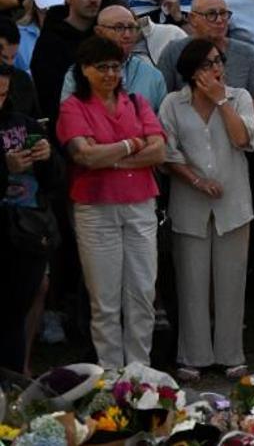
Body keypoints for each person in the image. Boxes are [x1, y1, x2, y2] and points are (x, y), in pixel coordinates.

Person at [56, 36, 166, 369]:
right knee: (104, 300)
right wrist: (135, 145)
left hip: (140, 204)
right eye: (101, 67)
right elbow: (85, 156)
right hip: (96, 208)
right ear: (84, 70)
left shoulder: (135, 101)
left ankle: (139, 372)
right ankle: (110, 375)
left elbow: (159, 151)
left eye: (115, 67)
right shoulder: (73, 106)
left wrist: (112, 156)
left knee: (142, 294)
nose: (109, 74)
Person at [160, 38, 254, 381]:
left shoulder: (239, 97)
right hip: (189, 204)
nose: (216, 69)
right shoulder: (173, 103)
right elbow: (167, 153)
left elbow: (244, 140)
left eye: (218, 62)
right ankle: (193, 355)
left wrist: (221, 102)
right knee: (191, 281)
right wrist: (197, 182)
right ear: (190, 72)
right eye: (206, 64)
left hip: (233, 205)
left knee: (231, 282)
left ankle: (231, 353)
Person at [0, 62, 62, 375]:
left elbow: (54, 181)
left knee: (15, 316)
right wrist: (4, 167)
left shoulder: (23, 124)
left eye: (4, 93)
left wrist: (47, 157)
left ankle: (11, 390)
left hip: (26, 233)